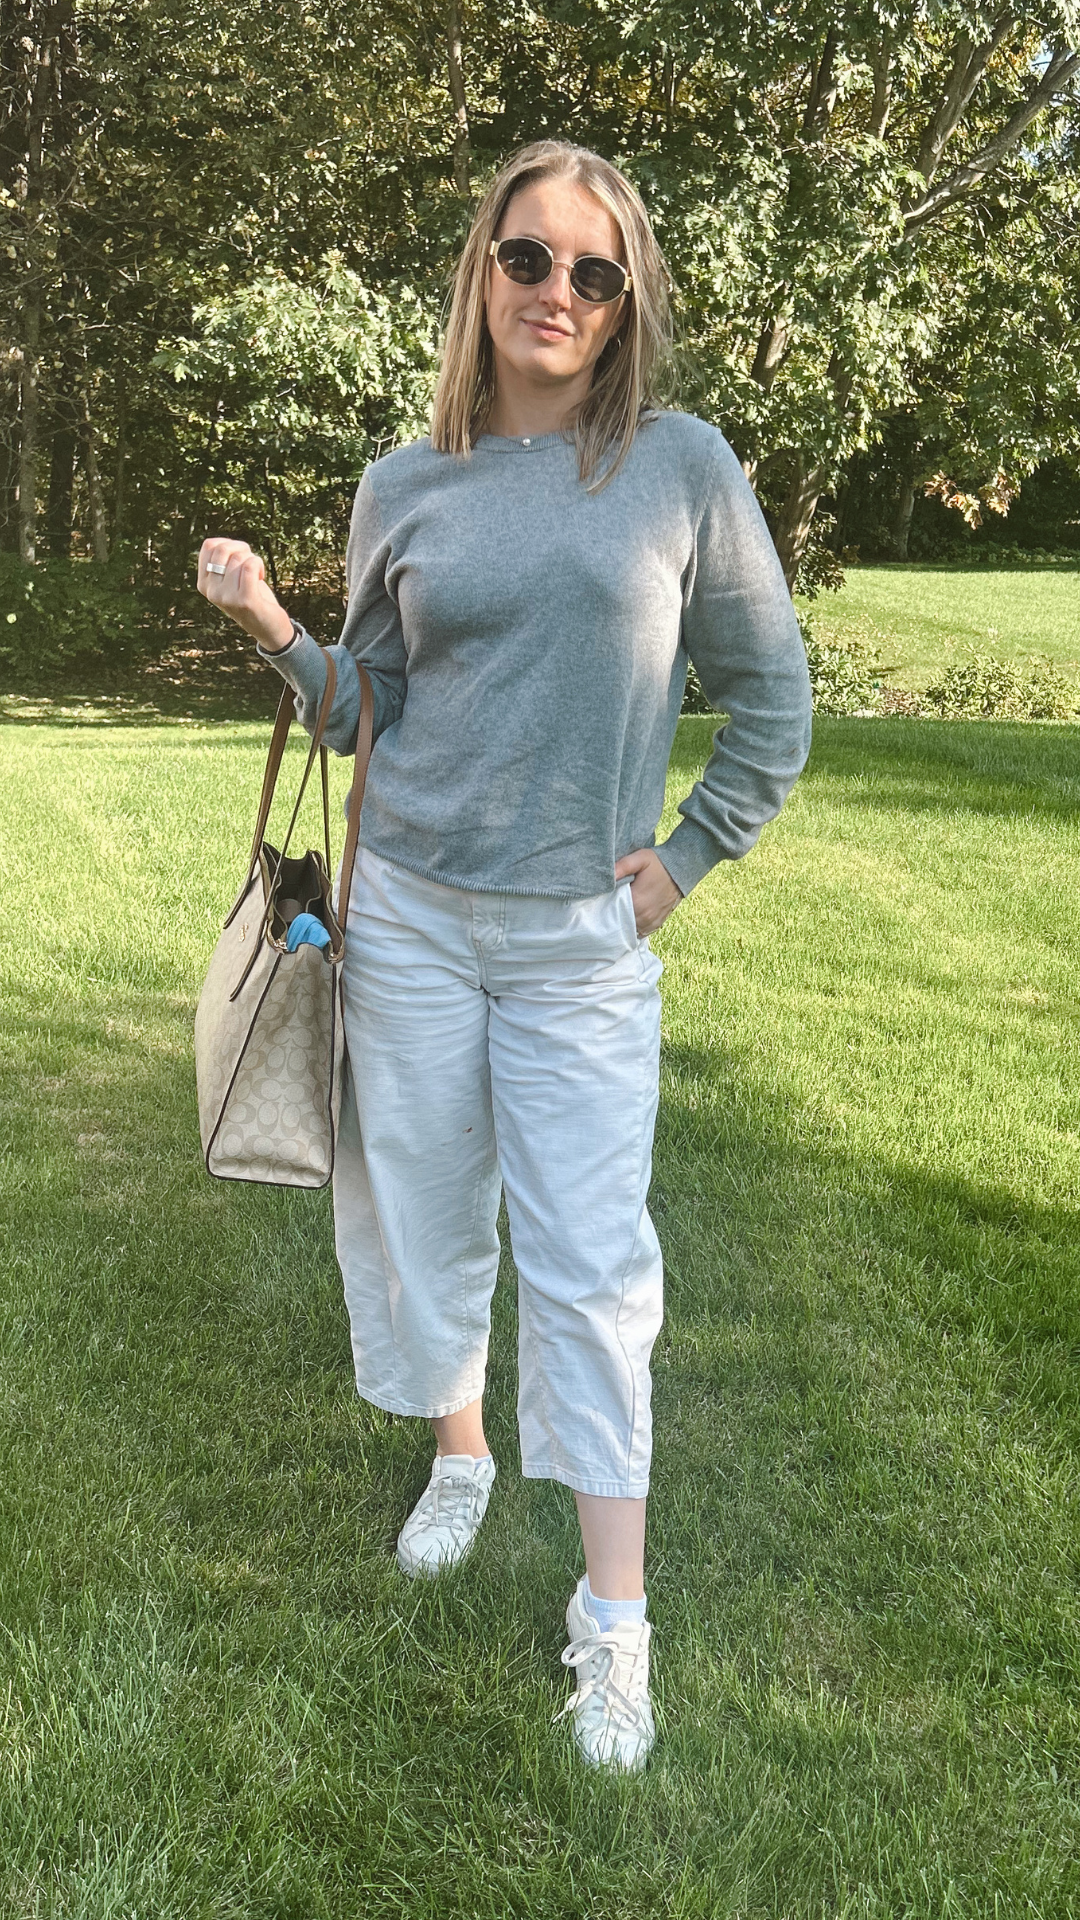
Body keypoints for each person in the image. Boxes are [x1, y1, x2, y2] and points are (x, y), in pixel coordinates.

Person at [196, 138, 812, 1772]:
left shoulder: (679, 468)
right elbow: (367, 708)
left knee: (593, 1264)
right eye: (529, 257)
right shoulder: (406, 482)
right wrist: (272, 626)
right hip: (408, 912)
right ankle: (460, 1451)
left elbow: (776, 699)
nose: (558, 291)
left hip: (576, 944)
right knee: (418, 1199)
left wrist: (685, 859)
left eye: (595, 272)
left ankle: (615, 1617)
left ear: (628, 304)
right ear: (483, 269)